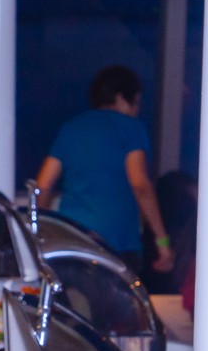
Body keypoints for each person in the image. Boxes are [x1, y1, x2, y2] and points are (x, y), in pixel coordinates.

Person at [35, 64, 173, 275]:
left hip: (72, 238)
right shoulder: (132, 128)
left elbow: (43, 186)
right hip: (116, 242)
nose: (137, 111)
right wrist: (162, 240)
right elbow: (140, 184)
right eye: (136, 103)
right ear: (120, 98)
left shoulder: (70, 128)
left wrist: (38, 232)